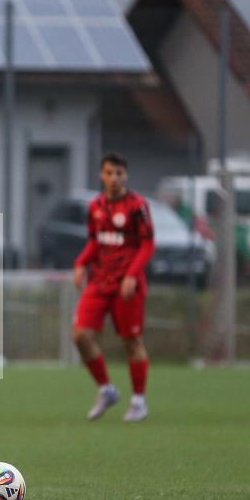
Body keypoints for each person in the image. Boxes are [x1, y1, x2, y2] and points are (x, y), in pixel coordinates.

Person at [72, 153, 155, 422]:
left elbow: (148, 244)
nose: (114, 178)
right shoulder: (95, 206)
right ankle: (106, 390)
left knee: (132, 341)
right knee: (80, 336)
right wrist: (81, 262)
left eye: (119, 173)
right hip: (100, 281)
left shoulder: (137, 206)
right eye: (109, 173)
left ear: (126, 175)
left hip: (126, 284)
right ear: (101, 175)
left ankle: (139, 401)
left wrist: (132, 275)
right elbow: (96, 241)